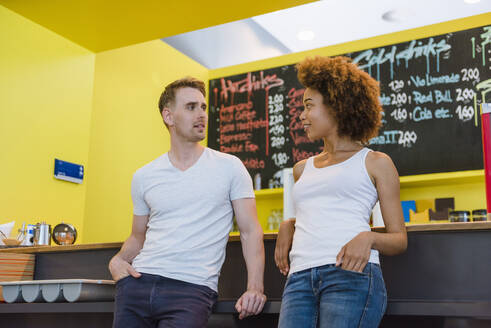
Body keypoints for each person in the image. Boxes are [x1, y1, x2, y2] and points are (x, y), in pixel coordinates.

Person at [109, 77, 267, 328]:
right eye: (191, 107)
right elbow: (137, 237)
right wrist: (118, 260)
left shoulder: (230, 167)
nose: (202, 114)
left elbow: (250, 231)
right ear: (168, 116)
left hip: (191, 289)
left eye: (204, 107)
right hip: (137, 285)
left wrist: (255, 288)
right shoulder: (144, 175)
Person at [275, 56, 407, 328]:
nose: (301, 115)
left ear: (336, 107)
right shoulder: (301, 169)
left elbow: (398, 239)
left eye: (309, 106)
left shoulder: (376, 162)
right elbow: (319, 217)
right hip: (299, 279)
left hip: (351, 276)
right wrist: (290, 224)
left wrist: (368, 238)